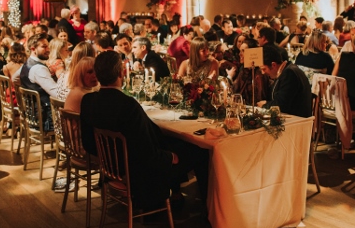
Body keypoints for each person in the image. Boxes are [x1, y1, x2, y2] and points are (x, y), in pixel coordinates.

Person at [80, 51, 208, 210]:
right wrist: (170, 157)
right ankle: (208, 211)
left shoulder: (88, 101)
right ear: (121, 73)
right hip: (140, 174)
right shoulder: (127, 105)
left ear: (98, 74)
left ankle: (174, 196)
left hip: (112, 169)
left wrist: (108, 160)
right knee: (202, 151)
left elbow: (88, 143)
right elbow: (147, 154)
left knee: (174, 142)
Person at [257, 45, 312, 117]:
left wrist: (265, 104)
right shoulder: (286, 70)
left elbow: (281, 105)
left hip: (297, 121)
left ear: (273, 65)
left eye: (264, 69)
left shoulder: (289, 73)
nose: (263, 73)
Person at [19, 33, 59, 131]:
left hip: (31, 114)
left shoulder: (28, 62)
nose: (48, 50)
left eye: (48, 47)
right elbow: (57, 93)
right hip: (46, 119)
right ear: (33, 49)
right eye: (44, 47)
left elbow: (14, 78)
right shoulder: (38, 69)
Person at [232, 37, 269, 105]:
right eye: (240, 51)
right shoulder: (243, 70)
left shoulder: (260, 73)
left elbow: (259, 99)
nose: (240, 54)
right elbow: (234, 91)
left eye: (243, 51)